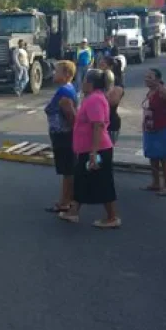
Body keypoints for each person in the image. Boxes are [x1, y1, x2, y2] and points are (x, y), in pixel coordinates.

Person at [63, 69, 120, 229]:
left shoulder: (95, 99)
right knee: (81, 180)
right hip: (88, 149)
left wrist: (93, 153)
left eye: (84, 81)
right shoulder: (91, 98)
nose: (82, 84)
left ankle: (112, 217)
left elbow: (98, 126)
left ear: (90, 83)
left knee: (103, 183)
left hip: (97, 149)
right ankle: (73, 212)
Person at [43, 61, 78, 217]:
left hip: (64, 136)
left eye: (57, 71)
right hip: (62, 135)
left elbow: (71, 115)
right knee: (67, 170)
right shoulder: (66, 89)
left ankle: (65, 202)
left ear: (67, 75)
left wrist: (74, 133)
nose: (54, 74)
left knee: (67, 170)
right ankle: (66, 200)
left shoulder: (64, 92)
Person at [142, 68, 166, 197]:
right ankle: (156, 183)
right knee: (153, 156)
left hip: (163, 127)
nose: (147, 79)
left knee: (164, 158)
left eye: (150, 77)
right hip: (150, 128)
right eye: (146, 77)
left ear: (158, 79)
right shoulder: (151, 91)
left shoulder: (162, 91)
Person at [99, 56, 125, 144]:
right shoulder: (99, 79)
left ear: (110, 67)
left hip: (110, 123)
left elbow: (113, 102)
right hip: (98, 122)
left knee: (106, 150)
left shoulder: (116, 82)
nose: (100, 67)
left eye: (102, 65)